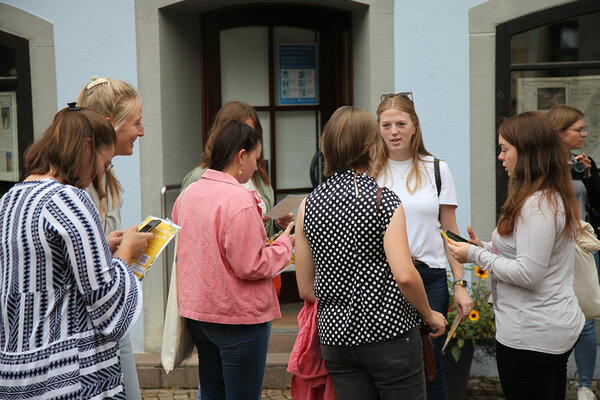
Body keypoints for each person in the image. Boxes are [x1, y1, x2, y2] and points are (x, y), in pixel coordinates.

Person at [294, 105, 447, 400]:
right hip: (389, 335)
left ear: (326, 148)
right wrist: (429, 314)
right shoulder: (384, 201)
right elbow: (404, 275)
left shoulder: (307, 206)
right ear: (371, 147)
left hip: (336, 339)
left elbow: (305, 287)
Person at [0, 104, 153, 399]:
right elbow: (106, 300)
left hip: (16, 373)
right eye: (104, 163)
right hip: (68, 376)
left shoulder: (10, 200)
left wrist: (101, 247)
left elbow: (40, 270)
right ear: (86, 147)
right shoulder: (70, 199)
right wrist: (126, 253)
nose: (100, 175)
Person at [447, 111, 585, 400]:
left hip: (532, 336)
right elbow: (528, 255)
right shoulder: (545, 196)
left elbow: (529, 273)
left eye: (505, 149)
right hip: (544, 330)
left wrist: (475, 254)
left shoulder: (538, 205)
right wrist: (485, 248)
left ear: (528, 153)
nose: (501, 157)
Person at [173, 119, 294, 399]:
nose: (256, 166)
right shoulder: (238, 200)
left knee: (212, 392)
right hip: (238, 317)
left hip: (200, 312)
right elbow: (253, 265)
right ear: (241, 156)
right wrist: (287, 241)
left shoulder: (190, 193)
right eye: (256, 158)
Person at [371, 92, 473, 399]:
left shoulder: (436, 169)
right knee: (388, 363)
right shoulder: (370, 171)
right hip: (383, 278)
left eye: (401, 123)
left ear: (414, 125)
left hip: (429, 279)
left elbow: (450, 232)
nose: (393, 131)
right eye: (386, 125)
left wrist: (459, 284)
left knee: (432, 364)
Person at [77, 76, 145, 400]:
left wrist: (108, 244)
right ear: (109, 125)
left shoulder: (101, 177)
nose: (141, 132)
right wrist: (123, 254)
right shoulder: (82, 185)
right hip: (100, 322)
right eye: (137, 123)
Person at [548, 104, 600, 400]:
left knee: (586, 316)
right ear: (560, 133)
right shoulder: (543, 164)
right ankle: (556, 374)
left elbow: (599, 203)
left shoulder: (584, 162)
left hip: (583, 247)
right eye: (578, 129)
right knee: (557, 313)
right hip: (555, 247)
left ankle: (584, 385)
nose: (584, 133)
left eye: (584, 128)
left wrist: (590, 175)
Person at [181, 100, 293, 238]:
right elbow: (190, 234)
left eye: (252, 134)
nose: (247, 140)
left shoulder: (258, 175)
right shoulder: (199, 178)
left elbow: (264, 232)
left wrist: (277, 224)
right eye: (240, 133)